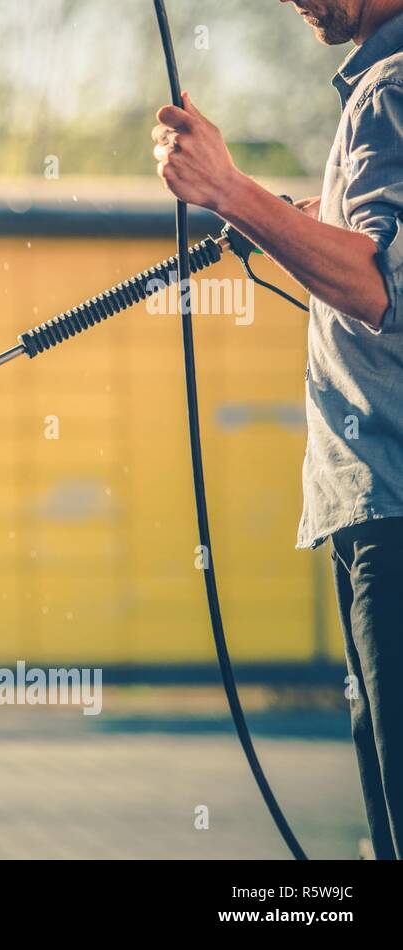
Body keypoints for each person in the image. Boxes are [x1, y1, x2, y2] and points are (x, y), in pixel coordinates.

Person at [152, 0, 403, 859]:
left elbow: (378, 286)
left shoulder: (389, 92)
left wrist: (230, 190)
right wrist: (294, 217)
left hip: (393, 513)